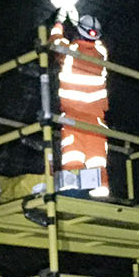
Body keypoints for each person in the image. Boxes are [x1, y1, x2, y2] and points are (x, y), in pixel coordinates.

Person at [49, 12, 111, 198]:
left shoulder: (69, 52)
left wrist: (60, 22)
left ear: (78, 32)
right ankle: (101, 191)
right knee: (97, 157)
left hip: (73, 117)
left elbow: (55, 41)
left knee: (73, 155)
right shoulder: (101, 54)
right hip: (96, 120)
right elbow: (97, 43)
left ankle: (72, 190)